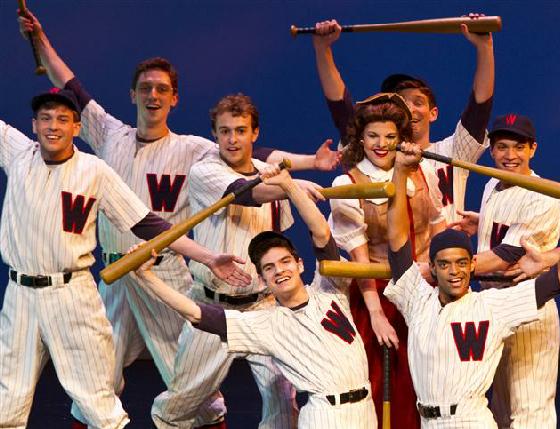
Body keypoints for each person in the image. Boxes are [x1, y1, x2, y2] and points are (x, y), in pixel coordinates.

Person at [18, 9, 337, 428]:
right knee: (98, 374)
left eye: (162, 89)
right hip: (116, 276)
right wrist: (41, 41)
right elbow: (70, 86)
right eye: (145, 88)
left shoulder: (193, 150)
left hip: (165, 270)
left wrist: (310, 162)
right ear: (132, 94)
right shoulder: (109, 133)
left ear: (175, 99)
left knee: (186, 383)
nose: (153, 95)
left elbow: (253, 154)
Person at [0, 88, 249, 429]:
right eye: (45, 118)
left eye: (62, 119)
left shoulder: (94, 171)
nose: (53, 126)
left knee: (96, 397)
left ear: (76, 127)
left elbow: (147, 224)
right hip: (19, 294)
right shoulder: (18, 154)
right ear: (34, 125)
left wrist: (207, 258)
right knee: (7, 397)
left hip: (70, 293)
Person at [131, 167, 377, 428]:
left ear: (300, 264)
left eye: (285, 261)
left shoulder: (329, 290)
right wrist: (147, 277)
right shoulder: (266, 324)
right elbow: (196, 313)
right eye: (269, 268)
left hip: (366, 411)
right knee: (186, 394)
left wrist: (289, 186)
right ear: (262, 280)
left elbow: (322, 233)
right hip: (325, 416)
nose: (279, 270)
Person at [383, 141, 560, 428]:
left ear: (472, 265)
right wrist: (400, 171)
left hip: (471, 420)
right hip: (428, 422)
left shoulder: (492, 306)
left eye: (462, 263)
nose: (455, 271)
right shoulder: (416, 299)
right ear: (432, 269)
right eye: (445, 264)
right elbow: (397, 239)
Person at [151, 94, 324, 428]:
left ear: (254, 133)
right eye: (225, 131)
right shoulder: (204, 171)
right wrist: (292, 186)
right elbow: (247, 192)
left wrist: (290, 184)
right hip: (213, 306)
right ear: (214, 134)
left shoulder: (271, 174)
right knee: (178, 405)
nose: (232, 139)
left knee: (282, 400)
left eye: (241, 130)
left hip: (263, 306)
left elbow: (276, 232)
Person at [328, 93, 444, 427]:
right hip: (378, 293)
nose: (381, 144)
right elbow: (359, 258)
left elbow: (437, 223)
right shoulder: (348, 183)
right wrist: (377, 314)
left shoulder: (422, 172)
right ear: (360, 139)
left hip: (423, 290)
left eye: (390, 136)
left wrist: (435, 274)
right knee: (384, 383)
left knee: (427, 378)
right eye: (373, 136)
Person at [312, 15, 493, 225]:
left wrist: (484, 47)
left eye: (418, 102)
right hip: (391, 245)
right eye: (402, 103)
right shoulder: (376, 153)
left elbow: (479, 107)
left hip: (444, 245)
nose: (410, 109)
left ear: (433, 113)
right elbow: (341, 110)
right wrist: (323, 49)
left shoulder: (453, 152)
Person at [449, 113, 560, 428]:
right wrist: (484, 223)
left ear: (533, 149)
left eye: (518, 147)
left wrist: (447, 268)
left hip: (527, 305)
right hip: (493, 304)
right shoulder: (492, 185)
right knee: (499, 408)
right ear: (491, 150)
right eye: (502, 147)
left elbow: (507, 256)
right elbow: (503, 232)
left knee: (529, 411)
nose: (510, 155)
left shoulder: (541, 194)